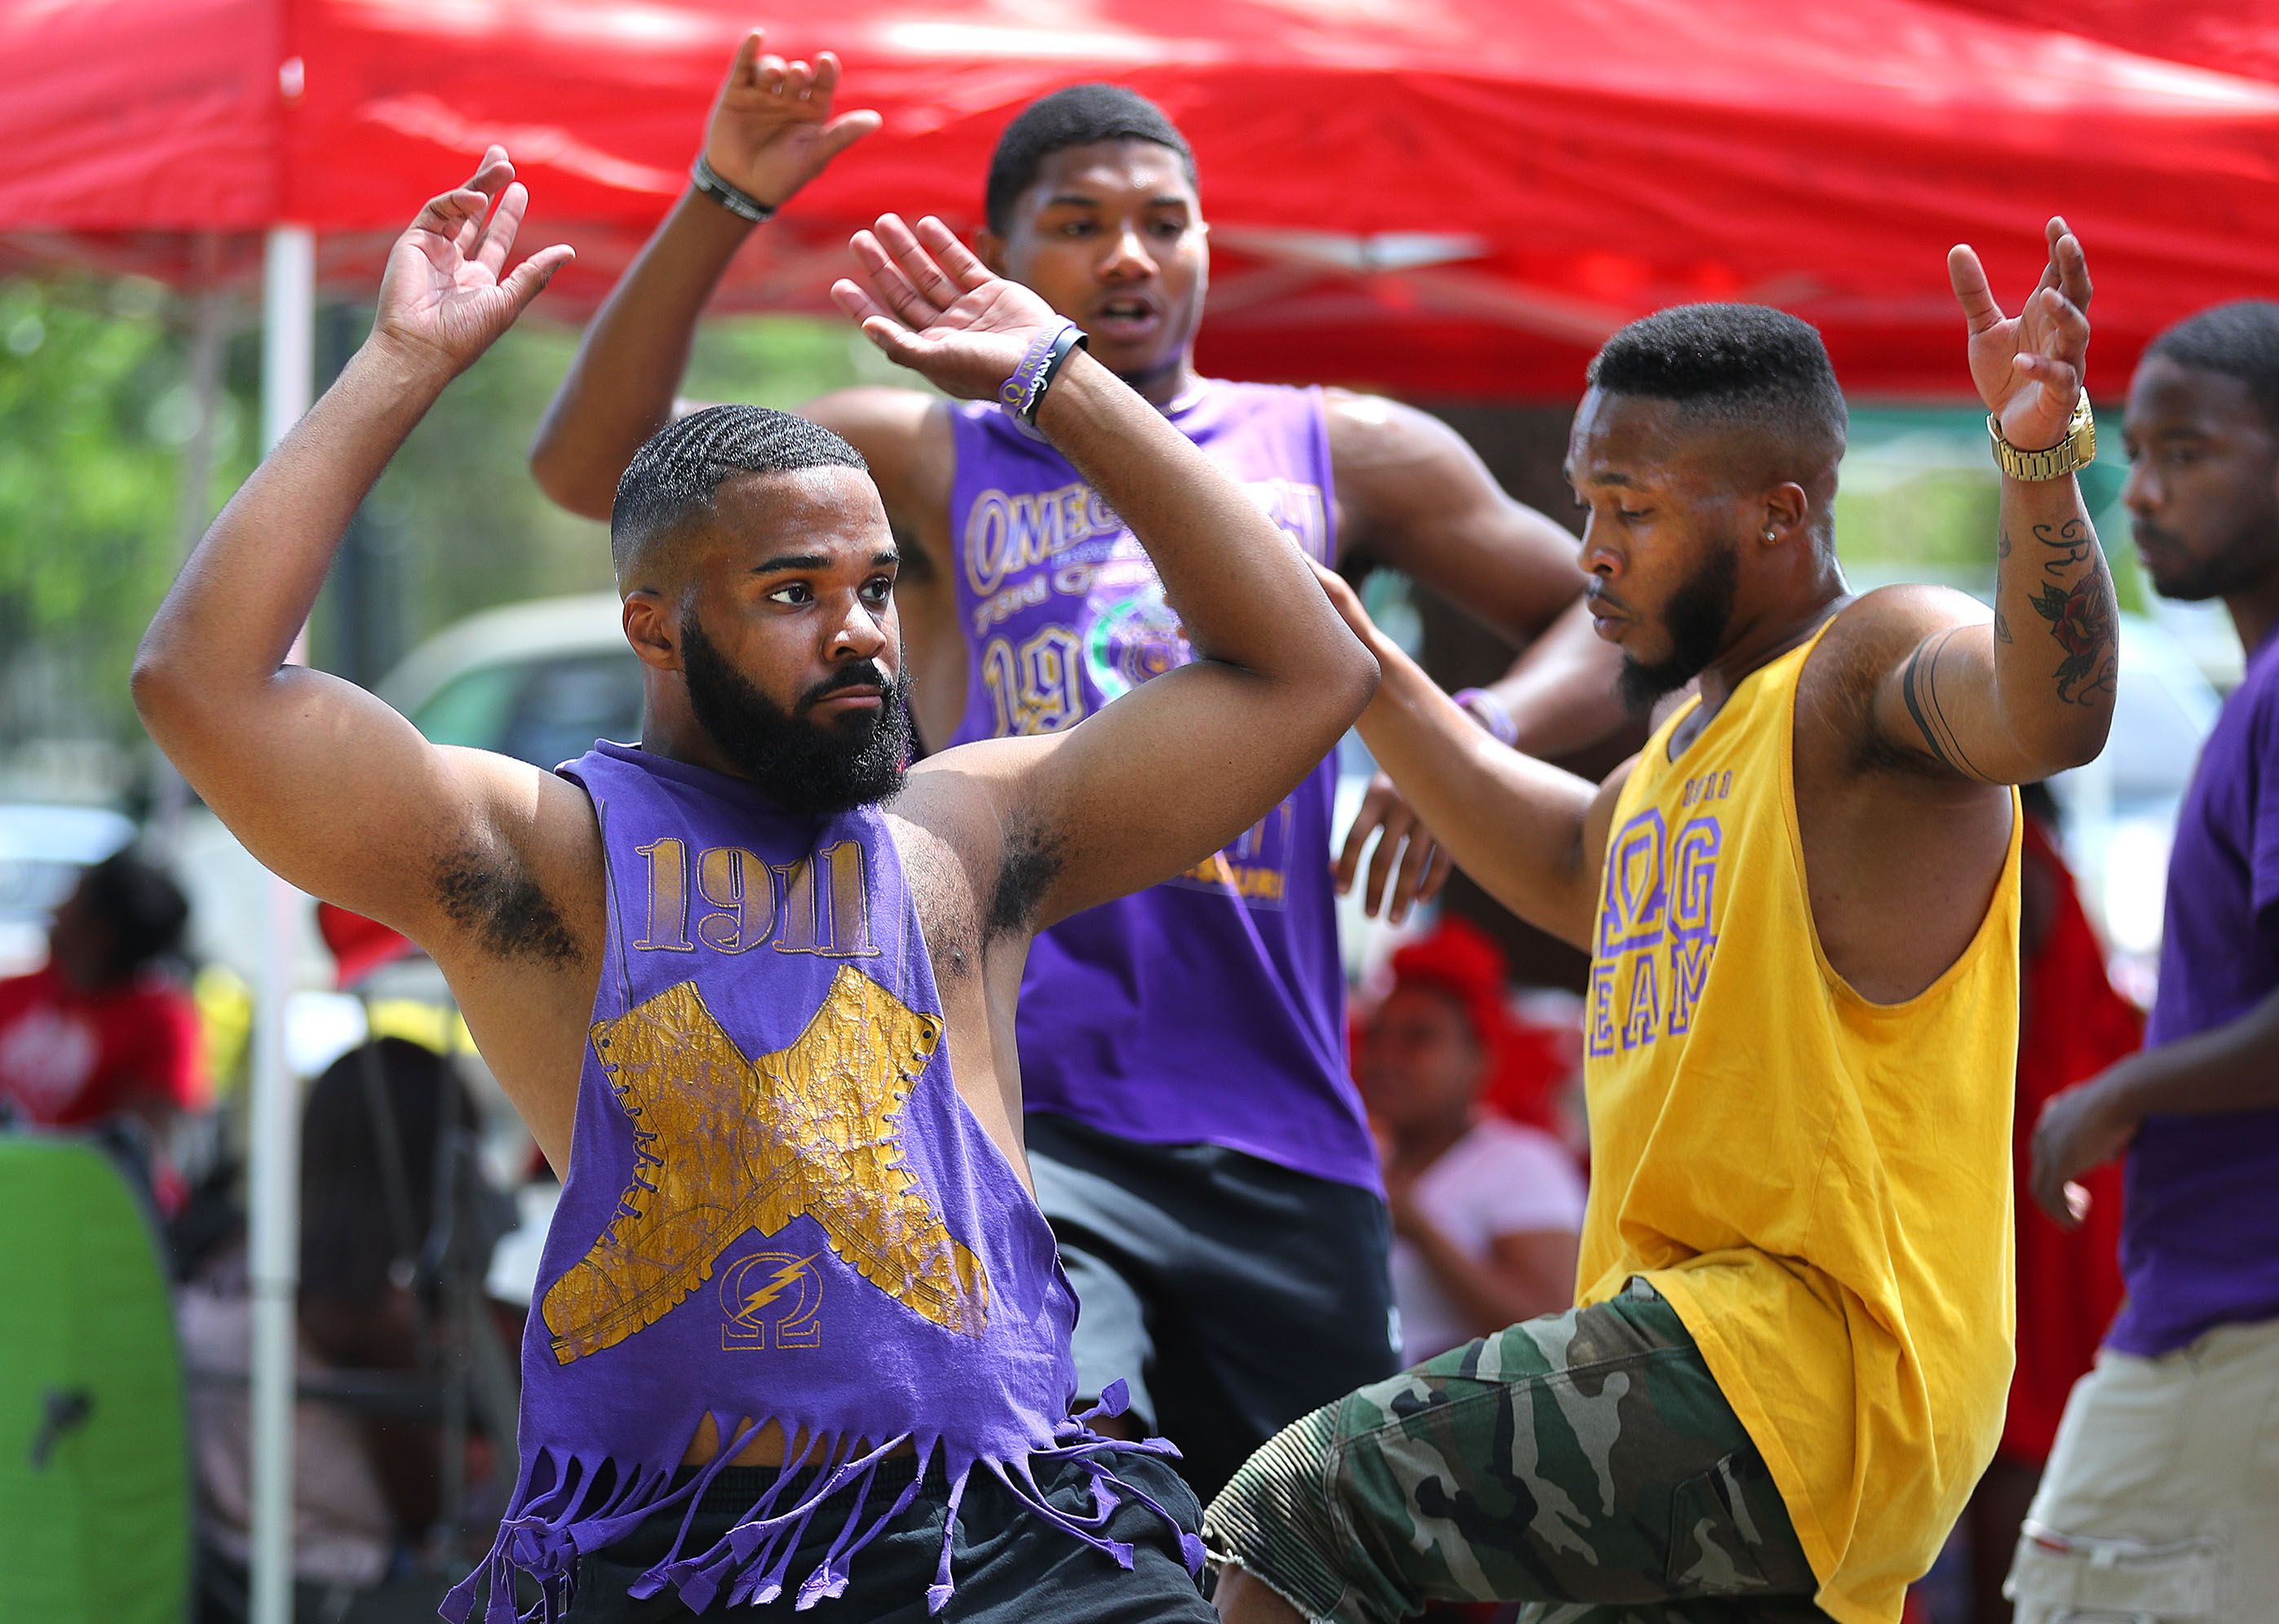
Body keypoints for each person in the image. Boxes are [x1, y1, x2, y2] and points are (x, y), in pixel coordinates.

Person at [132, 150, 1375, 1621]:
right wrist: (398, 366)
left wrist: (1053, 377)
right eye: (795, 594)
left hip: (1006, 1532)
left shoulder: (969, 827)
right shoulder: (548, 849)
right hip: (671, 1553)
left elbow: (1309, 672)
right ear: (652, 628)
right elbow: (203, 683)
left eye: (874, 588)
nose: (856, 632)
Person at [527, 37, 1622, 1498]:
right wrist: (723, 196)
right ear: (993, 254)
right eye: (1078, 224)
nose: (1129, 257)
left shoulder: (1328, 445)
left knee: (1310, 1555)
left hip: (1280, 1115)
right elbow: (603, 474)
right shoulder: (923, 454)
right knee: (1067, 1510)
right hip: (1025, 1112)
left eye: (1163, 223)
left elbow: (1604, 619)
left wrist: (1468, 740)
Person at [1206, 220, 2118, 1624]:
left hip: (1794, 1360)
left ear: (1774, 512)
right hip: (1711, 1385)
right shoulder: (1673, 755)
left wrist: (2038, 468)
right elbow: (1565, 854)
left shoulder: (1860, 666)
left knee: (1291, 1506)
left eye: (1627, 508)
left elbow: (2044, 711)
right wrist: (1376, 669)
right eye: (1584, 505)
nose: (1589, 553)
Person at [2008, 300, 2279, 1623]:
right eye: (2135, 452)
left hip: (2236, 1310)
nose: (2149, 490)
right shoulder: (2252, 688)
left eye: (2188, 452)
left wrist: (2117, 1091)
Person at [184, 1038, 489, 1622]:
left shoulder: (232, 1261)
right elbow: (429, 1500)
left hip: (224, 1569)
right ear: (431, 1165)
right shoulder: (364, 1314)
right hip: (343, 1586)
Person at [1947, 785, 2133, 1624]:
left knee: (2022, 1430)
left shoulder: (2012, 859)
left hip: (2039, 1188)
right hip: (2052, 1173)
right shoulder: (2026, 862)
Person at [1359, 918, 1585, 1366]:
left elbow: (1552, 1329)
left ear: (1479, 1059)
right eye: (1376, 1036)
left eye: (1417, 1038)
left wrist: (1422, 1231)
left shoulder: (1524, 1162)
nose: (1385, 1057)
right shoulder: (1367, 1158)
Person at [0, 849, 203, 1138]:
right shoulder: (18, 992)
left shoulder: (159, 1021)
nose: (56, 912)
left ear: (100, 934)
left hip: (82, 1182)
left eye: (73, 899)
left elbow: (144, 1149)